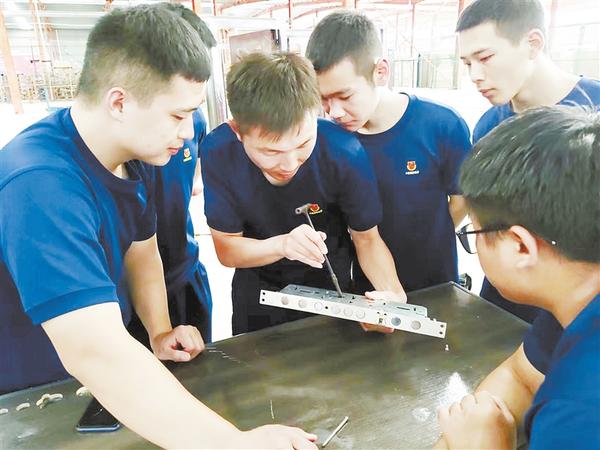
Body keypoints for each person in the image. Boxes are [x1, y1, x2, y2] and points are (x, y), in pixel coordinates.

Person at [0, 5, 316, 448]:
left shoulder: (133, 155)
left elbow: (141, 247)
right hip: (33, 395)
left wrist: (159, 331)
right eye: (177, 115)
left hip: (99, 380)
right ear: (119, 102)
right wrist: (234, 444)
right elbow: (97, 353)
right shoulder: (41, 184)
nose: (188, 132)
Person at [201, 52, 406, 335]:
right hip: (259, 295)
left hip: (333, 293)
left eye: (303, 144)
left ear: (317, 113)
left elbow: (367, 239)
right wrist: (283, 245)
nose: (289, 164)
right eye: (271, 151)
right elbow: (227, 249)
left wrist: (393, 297)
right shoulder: (219, 152)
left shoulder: (343, 151)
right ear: (237, 130)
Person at [435, 106, 600, 449]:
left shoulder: (576, 415)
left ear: (520, 246)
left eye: (473, 232)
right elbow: (521, 376)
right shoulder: (576, 304)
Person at [306, 11, 471, 294]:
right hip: (369, 290)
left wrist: (427, 237)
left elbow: (462, 200)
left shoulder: (442, 125)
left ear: (380, 72)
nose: (334, 112)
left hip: (438, 283)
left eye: (345, 96)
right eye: (324, 99)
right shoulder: (328, 139)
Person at [456, 0, 600, 322]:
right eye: (467, 63)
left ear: (533, 43)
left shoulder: (595, 112)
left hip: (581, 313)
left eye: (485, 57)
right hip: (506, 300)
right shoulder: (489, 127)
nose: (475, 75)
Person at [126, 2, 216, 347]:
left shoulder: (193, 122)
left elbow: (193, 176)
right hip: (132, 295)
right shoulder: (120, 150)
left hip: (185, 274)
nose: (184, 128)